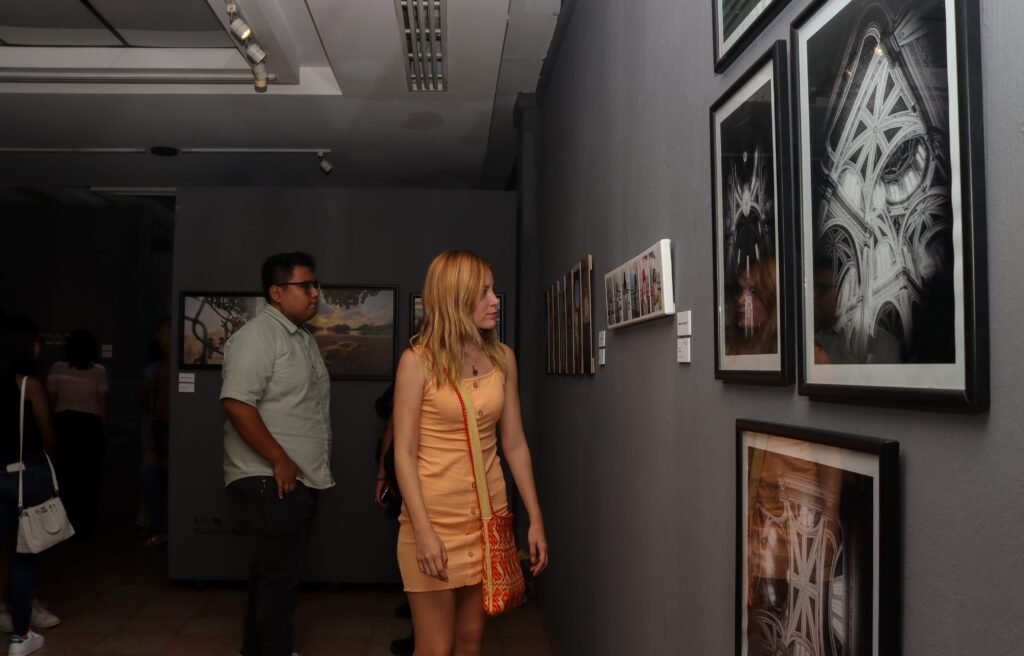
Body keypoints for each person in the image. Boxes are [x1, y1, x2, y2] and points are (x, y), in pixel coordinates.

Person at [393, 250, 549, 656]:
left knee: (470, 643)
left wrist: (535, 519)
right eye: (483, 292)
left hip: (487, 521)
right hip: (432, 522)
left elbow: (514, 443)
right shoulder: (417, 362)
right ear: (455, 299)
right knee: (435, 648)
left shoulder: (503, 359)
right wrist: (423, 532)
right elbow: (403, 453)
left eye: (493, 290)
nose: (495, 300)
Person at [220, 252, 334, 656]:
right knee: (278, 582)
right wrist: (280, 459)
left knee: (271, 576)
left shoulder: (301, 338)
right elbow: (236, 404)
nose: (314, 293)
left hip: (294, 480)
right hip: (270, 480)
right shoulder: (258, 336)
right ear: (276, 292)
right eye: (305, 285)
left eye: (315, 285)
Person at [0, 316, 59, 655]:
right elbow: (48, 438)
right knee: (23, 555)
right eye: (36, 341)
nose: (40, 347)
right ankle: (21, 637)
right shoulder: (29, 386)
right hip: (23, 478)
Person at [47, 329, 108, 538]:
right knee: (88, 477)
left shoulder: (57, 368)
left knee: (66, 476)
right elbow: (102, 405)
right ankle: (85, 524)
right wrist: (102, 431)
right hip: (90, 426)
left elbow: (52, 402)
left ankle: (67, 523)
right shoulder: (99, 370)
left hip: (65, 424)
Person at [138, 318, 171, 547]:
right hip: (157, 431)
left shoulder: (168, 365)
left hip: (169, 431)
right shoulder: (157, 367)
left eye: (163, 332)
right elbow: (143, 397)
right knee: (150, 477)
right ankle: (160, 528)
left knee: (160, 479)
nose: (158, 337)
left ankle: (165, 529)